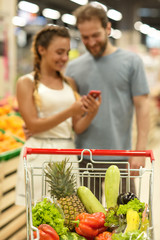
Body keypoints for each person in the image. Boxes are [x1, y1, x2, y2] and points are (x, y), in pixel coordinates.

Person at [65, 3, 150, 197]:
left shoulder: (131, 62)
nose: (91, 42)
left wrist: (140, 151)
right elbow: (71, 111)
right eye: (85, 37)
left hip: (121, 156)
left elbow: (142, 106)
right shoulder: (73, 68)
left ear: (108, 28)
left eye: (96, 35)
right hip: (85, 158)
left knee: (126, 221)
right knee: (88, 223)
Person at [15, 25, 101, 206]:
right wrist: (70, 111)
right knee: (39, 217)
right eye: (59, 52)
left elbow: (76, 127)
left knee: (68, 220)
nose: (64, 58)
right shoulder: (26, 82)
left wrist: (91, 112)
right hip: (39, 155)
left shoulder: (70, 83)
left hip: (67, 153)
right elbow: (33, 126)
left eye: (67, 52)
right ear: (42, 50)